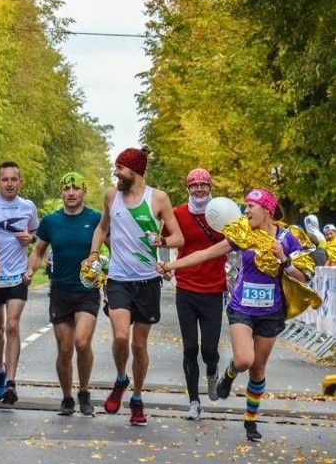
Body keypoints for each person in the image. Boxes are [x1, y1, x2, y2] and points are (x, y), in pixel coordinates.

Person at [157, 188, 306, 441]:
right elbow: (205, 254)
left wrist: (284, 259)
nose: (246, 211)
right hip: (241, 308)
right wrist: (170, 265)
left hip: (271, 313)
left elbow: (303, 277)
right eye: (245, 206)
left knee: (258, 370)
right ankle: (229, 373)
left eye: (251, 206)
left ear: (267, 210)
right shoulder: (242, 233)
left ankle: (250, 421)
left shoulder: (287, 238)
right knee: (245, 360)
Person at [84, 146, 183, 426]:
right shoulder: (110, 196)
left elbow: (179, 238)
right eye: (115, 167)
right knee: (119, 337)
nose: (116, 172)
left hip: (147, 281)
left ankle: (137, 397)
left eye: (120, 168)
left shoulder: (158, 198)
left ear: (135, 171)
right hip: (118, 280)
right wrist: (94, 254)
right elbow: (102, 228)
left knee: (139, 345)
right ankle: (120, 378)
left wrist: (161, 242)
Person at [24, 172, 101, 416]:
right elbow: (38, 250)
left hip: (87, 290)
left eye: (76, 188)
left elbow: (113, 245)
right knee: (65, 348)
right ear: (61, 193)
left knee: (82, 341)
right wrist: (30, 270)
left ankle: (84, 391)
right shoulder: (51, 221)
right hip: (60, 290)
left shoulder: (96, 219)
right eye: (66, 189)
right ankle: (67, 397)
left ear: (83, 192)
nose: (71, 193)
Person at [165, 168, 227, 420]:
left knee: (208, 350)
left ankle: (212, 371)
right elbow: (165, 239)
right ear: (187, 188)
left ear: (211, 186)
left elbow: (239, 240)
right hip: (187, 288)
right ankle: (194, 402)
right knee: (190, 347)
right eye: (194, 185)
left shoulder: (223, 212)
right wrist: (164, 267)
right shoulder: (179, 213)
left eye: (203, 184)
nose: (199, 189)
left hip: (213, 288)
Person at [0, 161, 38, 405]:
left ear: (20, 182)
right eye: (5, 179)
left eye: (14, 179)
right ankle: (0, 369)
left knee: (12, 325)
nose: (10, 184)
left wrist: (30, 238)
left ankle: (11, 382)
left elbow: (36, 233)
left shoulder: (28, 206)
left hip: (17, 275)